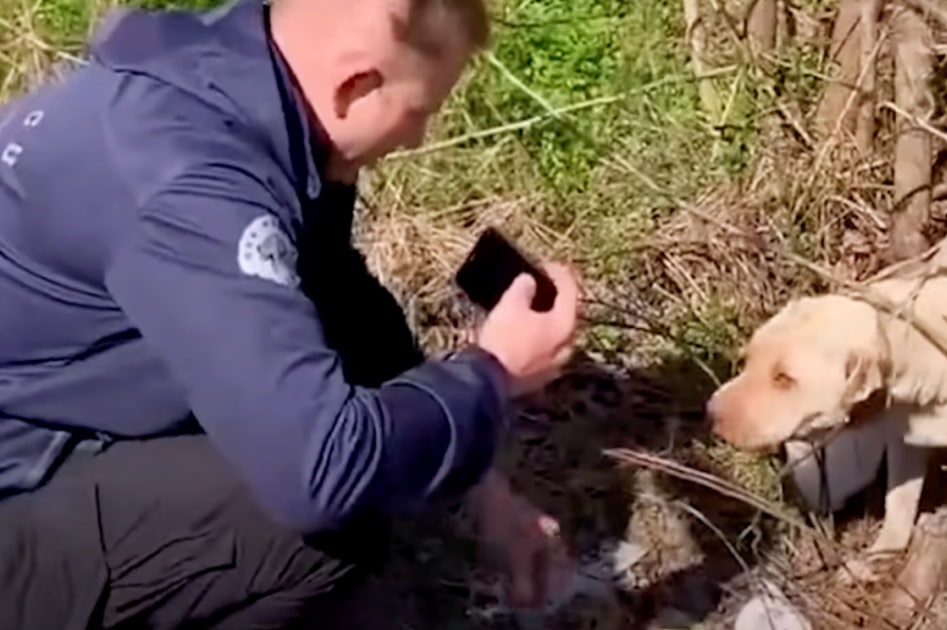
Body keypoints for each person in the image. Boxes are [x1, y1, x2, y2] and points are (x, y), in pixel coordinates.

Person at [0, 0, 582, 627]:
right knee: (324, 524)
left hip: (42, 426)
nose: (415, 139)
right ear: (355, 85)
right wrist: (490, 377)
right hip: (15, 493)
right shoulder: (191, 184)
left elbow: (336, 297)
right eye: (418, 113)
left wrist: (478, 485)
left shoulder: (236, 87)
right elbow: (319, 477)